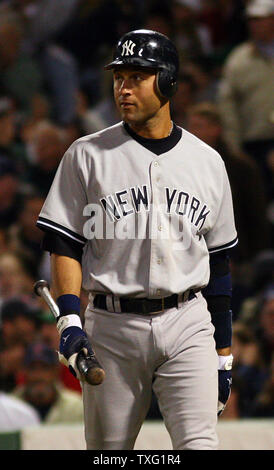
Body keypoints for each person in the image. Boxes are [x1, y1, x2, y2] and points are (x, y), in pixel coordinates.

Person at [36, 29, 238, 450]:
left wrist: (222, 352)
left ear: (166, 82)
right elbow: (65, 244)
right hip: (112, 325)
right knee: (109, 454)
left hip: (187, 321)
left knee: (200, 444)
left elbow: (218, 265)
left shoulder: (208, 162)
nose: (123, 89)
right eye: (118, 78)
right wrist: (70, 319)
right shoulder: (86, 154)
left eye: (137, 77)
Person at [217, 0, 274, 199]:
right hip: (253, 145)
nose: (254, 25)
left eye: (260, 20)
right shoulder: (239, 59)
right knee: (257, 202)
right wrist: (234, 146)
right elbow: (227, 104)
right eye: (251, 20)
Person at [13, 341, 84, 424]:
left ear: (55, 371)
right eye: (32, 369)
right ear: (24, 371)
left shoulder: (75, 407)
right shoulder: (11, 404)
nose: (38, 376)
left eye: (45, 368)